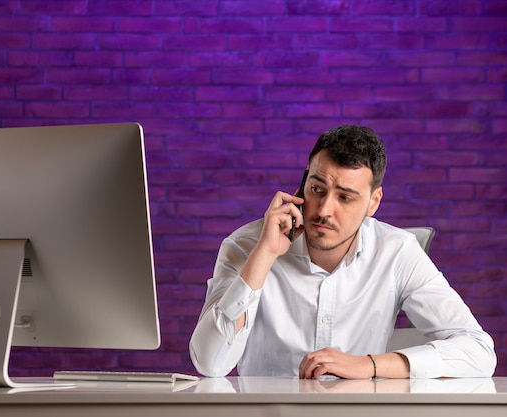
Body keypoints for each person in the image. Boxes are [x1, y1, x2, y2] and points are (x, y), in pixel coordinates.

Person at [189, 125, 496, 379]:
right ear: (302, 184)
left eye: (345, 198)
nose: (324, 210)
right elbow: (209, 363)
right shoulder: (245, 246)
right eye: (317, 189)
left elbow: (478, 351)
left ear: (373, 202)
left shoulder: (397, 251)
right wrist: (263, 256)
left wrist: (370, 365)